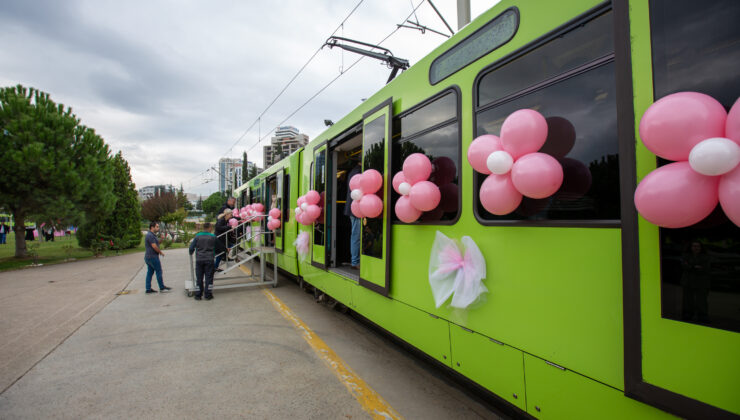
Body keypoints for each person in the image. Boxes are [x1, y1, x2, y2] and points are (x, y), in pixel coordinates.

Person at [681, 240, 712, 323]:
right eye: (694, 246)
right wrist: (695, 267)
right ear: (691, 247)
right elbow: (684, 266)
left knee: (701, 300)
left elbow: (706, 268)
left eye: (698, 246)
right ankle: (688, 314)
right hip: (688, 281)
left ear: (701, 247)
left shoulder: (706, 256)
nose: (696, 248)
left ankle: (702, 316)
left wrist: (691, 267)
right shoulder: (686, 255)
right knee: (687, 299)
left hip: (702, 282)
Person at [189, 222, 216, 300]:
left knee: (199, 278)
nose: (212, 229)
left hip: (199, 259)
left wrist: (191, 252)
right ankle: (208, 295)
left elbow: (191, 247)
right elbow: (218, 246)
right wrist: (225, 250)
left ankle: (198, 295)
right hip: (209, 259)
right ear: (209, 228)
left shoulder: (197, 236)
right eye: (211, 227)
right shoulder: (213, 236)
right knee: (209, 278)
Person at [144, 221, 171, 294]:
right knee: (159, 271)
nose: (158, 228)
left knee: (150, 272)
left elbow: (156, 243)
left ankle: (148, 288)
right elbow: (154, 246)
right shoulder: (150, 235)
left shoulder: (152, 235)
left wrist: (161, 239)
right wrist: (160, 252)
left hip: (148, 257)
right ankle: (162, 288)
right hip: (152, 257)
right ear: (152, 227)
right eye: (157, 227)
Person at [344, 161, 362, 269]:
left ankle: (355, 260)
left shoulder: (352, 172)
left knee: (355, 236)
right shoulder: (358, 172)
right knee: (356, 236)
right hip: (356, 209)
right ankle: (355, 262)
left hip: (353, 208)